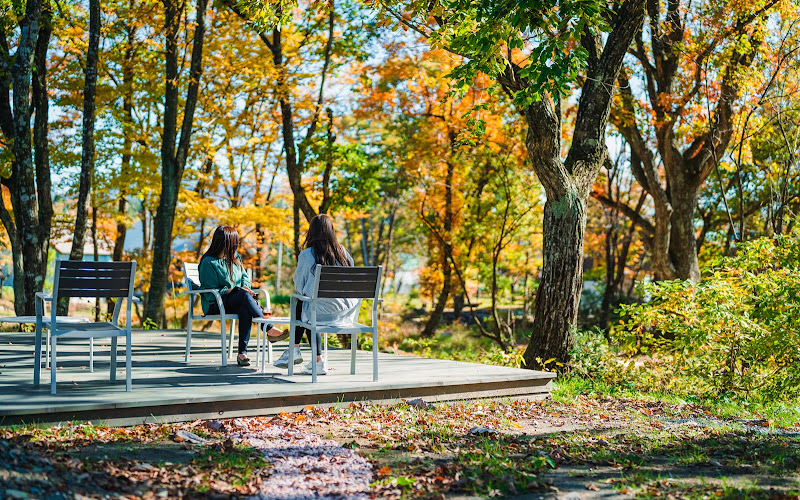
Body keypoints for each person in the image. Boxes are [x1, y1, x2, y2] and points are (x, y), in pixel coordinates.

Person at [271, 214, 359, 375]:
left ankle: (294, 349)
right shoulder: (343, 253)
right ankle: (314, 360)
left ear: (311, 232)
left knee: (304, 303)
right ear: (331, 231)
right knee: (310, 305)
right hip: (346, 314)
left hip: (319, 313)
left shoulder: (306, 255)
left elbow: (299, 287)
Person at [199, 225, 284, 366]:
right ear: (224, 242)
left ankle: (242, 354)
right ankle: (268, 328)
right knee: (243, 297)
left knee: (245, 306)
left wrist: (245, 287)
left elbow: (244, 277)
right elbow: (210, 291)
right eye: (234, 242)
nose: (236, 245)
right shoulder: (208, 262)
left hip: (236, 299)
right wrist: (231, 290)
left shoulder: (234, 257)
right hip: (215, 304)